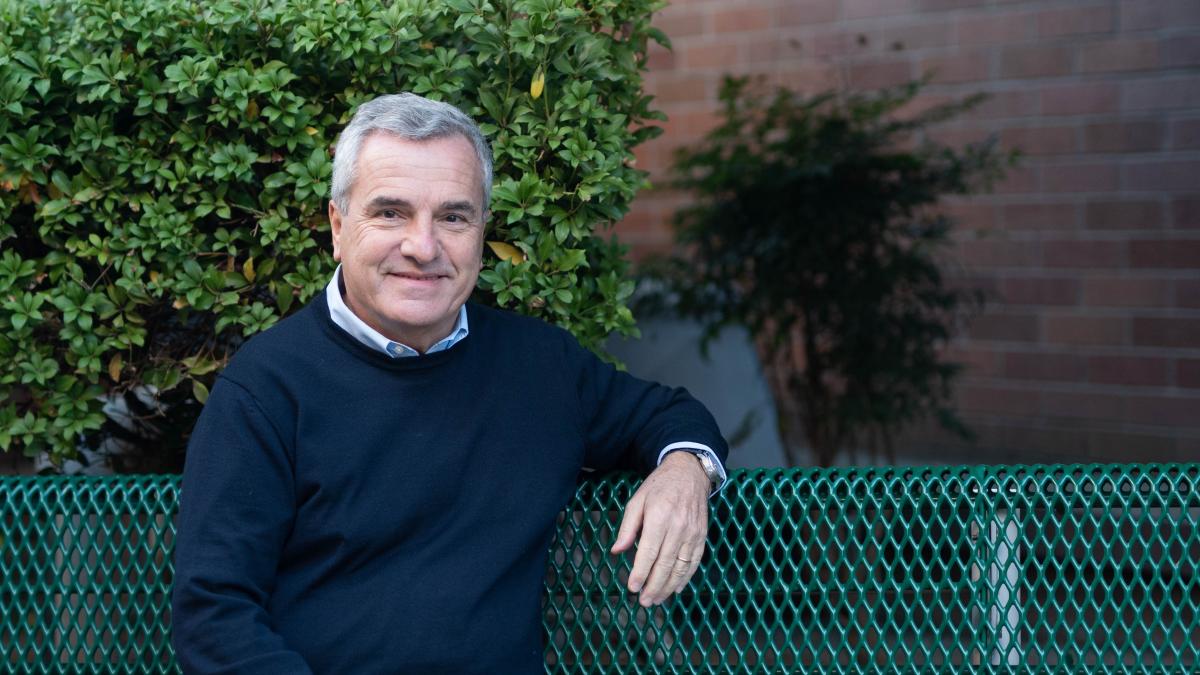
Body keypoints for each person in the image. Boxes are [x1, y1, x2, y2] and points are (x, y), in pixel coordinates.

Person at [171, 93, 728, 674]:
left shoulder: (540, 366)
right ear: (338, 226)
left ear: (482, 232)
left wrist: (685, 470)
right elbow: (215, 617)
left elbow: (669, 414)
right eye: (390, 213)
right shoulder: (266, 390)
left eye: (453, 217)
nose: (423, 246)